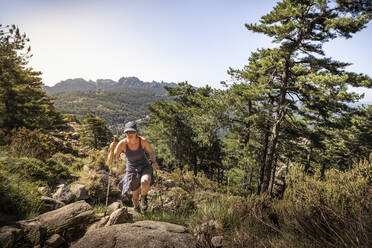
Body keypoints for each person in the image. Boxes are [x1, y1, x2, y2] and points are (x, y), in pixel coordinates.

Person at [111, 121, 159, 212]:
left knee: (145, 181)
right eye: (127, 132)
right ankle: (137, 208)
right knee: (135, 195)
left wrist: (153, 161)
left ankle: (144, 198)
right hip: (132, 169)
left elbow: (151, 152)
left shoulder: (142, 141)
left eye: (132, 132)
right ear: (125, 133)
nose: (129, 134)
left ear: (136, 132)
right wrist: (111, 149)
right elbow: (114, 158)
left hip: (145, 166)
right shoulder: (122, 143)